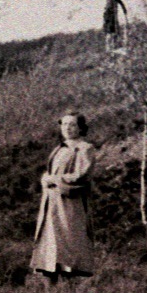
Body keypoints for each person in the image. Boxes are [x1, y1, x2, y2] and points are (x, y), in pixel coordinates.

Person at [31, 110, 96, 282]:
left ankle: (70, 291)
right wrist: (45, 178)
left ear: (80, 127)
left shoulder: (84, 148)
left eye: (72, 124)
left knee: (69, 241)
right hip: (51, 203)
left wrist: (54, 179)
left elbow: (82, 175)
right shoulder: (59, 148)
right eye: (64, 124)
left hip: (69, 203)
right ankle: (50, 291)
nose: (67, 128)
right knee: (50, 243)